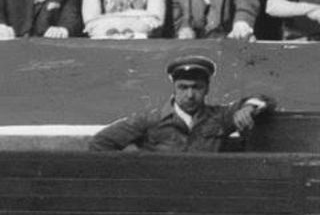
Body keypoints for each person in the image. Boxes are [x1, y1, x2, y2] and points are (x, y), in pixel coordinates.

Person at [89, 54, 273, 151]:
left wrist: (248, 107)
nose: (190, 95)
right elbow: (100, 142)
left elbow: (266, 100)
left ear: (207, 89)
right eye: (183, 88)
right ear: (174, 88)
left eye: (197, 87)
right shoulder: (150, 119)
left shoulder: (220, 117)